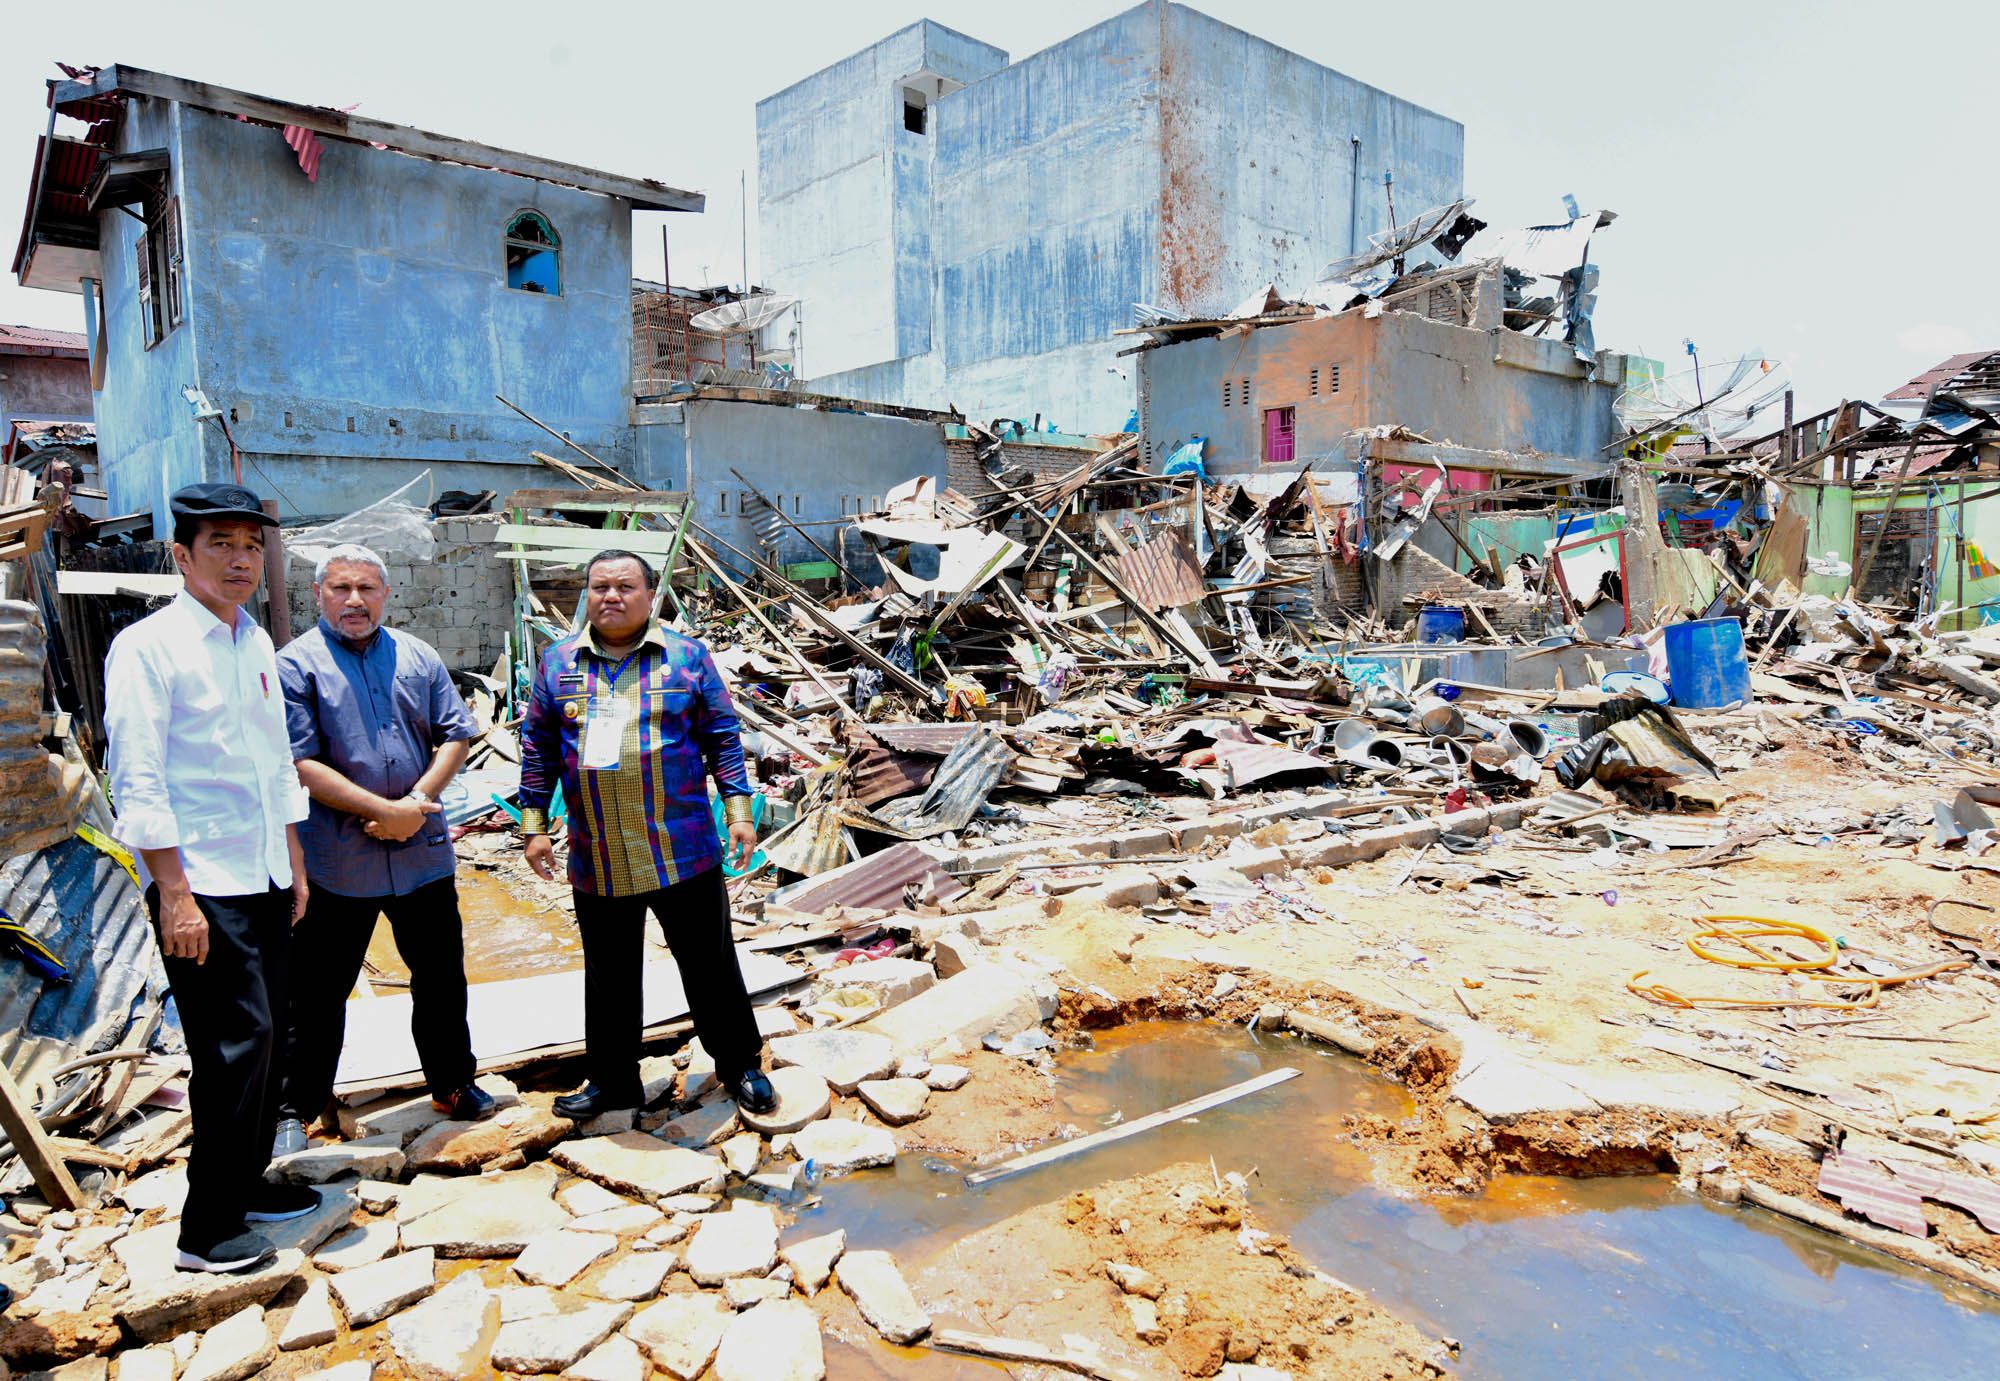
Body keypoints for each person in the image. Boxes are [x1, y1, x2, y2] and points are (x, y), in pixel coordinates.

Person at [103, 484, 323, 1274]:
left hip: (262, 868)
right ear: (182, 554)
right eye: (222, 544)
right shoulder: (148, 648)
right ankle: (207, 1227)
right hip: (201, 881)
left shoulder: (254, 641)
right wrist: (174, 892)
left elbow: (273, 760)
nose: (240, 559)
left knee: (272, 1033)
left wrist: (294, 859)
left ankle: (249, 1177)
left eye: (251, 546)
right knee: (236, 1042)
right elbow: (138, 776)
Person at [518, 549, 777, 1118]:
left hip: (682, 848)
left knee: (709, 962)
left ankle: (740, 1065)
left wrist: (739, 814)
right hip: (598, 851)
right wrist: (533, 826)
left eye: (625, 586)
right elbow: (537, 746)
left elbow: (723, 738)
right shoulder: (557, 662)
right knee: (608, 975)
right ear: (586, 595)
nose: (611, 596)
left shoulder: (687, 658)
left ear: (651, 595)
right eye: (600, 586)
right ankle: (613, 1082)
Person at [270, 542, 493, 1158]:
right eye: (340, 588)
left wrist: (415, 802)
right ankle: (297, 1106)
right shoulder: (295, 666)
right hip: (338, 861)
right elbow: (298, 761)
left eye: (366, 589)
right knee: (315, 992)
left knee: (442, 977)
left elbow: (456, 733)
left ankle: (452, 1084)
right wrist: (380, 812)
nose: (354, 600)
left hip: (421, 853)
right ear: (318, 595)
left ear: (385, 594)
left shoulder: (416, 656)